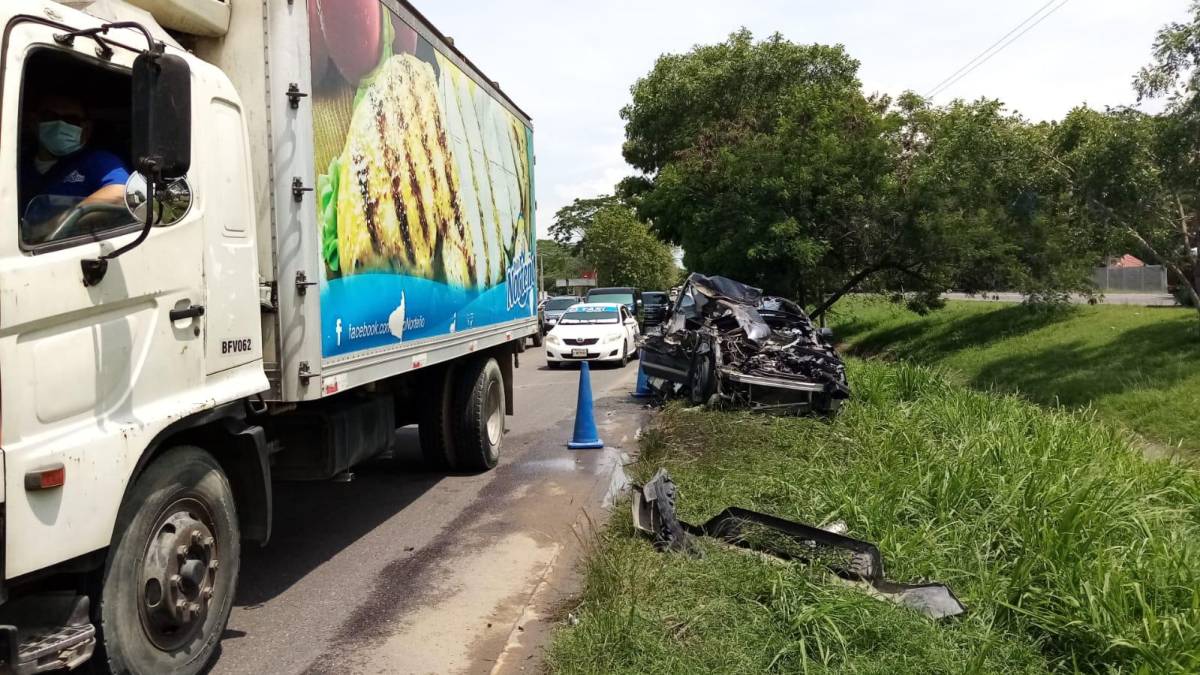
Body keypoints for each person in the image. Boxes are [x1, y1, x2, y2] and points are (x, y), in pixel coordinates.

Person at [20, 93, 130, 243]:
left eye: (71, 120)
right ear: (33, 122)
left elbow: (120, 193)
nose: (60, 124)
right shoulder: (16, 164)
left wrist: (53, 225)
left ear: (86, 129)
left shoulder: (98, 161)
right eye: (50, 116)